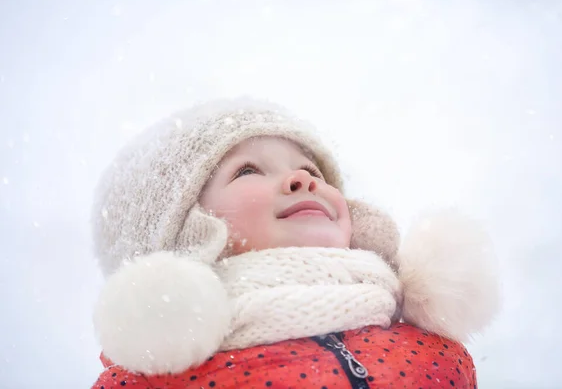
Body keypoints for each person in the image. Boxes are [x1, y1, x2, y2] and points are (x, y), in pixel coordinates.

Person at [90, 98, 499, 388]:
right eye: (248, 170)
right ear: (180, 234)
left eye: (309, 169)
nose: (304, 180)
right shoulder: (150, 383)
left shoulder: (432, 350)